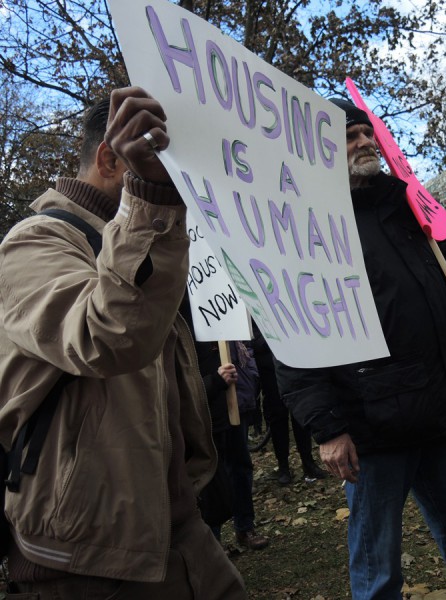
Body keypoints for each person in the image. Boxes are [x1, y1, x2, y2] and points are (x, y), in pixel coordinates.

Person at [0, 88, 246, 597]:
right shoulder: (33, 242)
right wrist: (151, 198)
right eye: (165, 162)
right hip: (85, 553)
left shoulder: (140, 234)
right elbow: (107, 339)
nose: (178, 183)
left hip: (172, 525)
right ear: (111, 158)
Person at [274, 99, 446, 599]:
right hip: (371, 426)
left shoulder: (412, 205)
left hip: (438, 410)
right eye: (349, 137)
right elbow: (296, 337)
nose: (363, 143)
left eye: (367, 134)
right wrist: (328, 428)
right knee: (377, 563)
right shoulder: (307, 227)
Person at [192, 336, 270, 550]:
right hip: (207, 414)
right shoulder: (186, 325)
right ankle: (212, 541)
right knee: (211, 478)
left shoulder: (231, 329)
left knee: (241, 466)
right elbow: (183, 386)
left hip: (236, 406)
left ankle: (245, 527)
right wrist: (213, 382)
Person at [251, 327, 328, 485]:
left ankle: (308, 463)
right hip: (269, 369)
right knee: (277, 418)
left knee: (300, 415)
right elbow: (252, 338)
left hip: (294, 364)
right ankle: (283, 467)